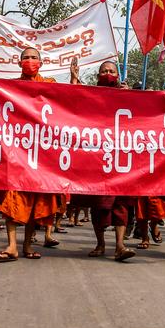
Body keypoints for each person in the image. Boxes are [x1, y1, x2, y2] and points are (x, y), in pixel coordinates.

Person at [0, 47, 65, 261]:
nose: (30, 61)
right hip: (18, 151)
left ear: (41, 62)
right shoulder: (10, 87)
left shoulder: (50, 85)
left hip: (42, 154)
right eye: (26, 58)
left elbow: (67, 106)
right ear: (19, 62)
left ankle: (27, 245)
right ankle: (12, 245)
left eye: (33, 57)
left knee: (36, 201)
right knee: (14, 198)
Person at [68, 61, 136, 262]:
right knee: (99, 205)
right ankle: (100, 243)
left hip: (121, 157)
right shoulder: (93, 93)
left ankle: (120, 245)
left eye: (112, 71)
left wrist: (131, 96)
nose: (108, 74)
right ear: (98, 76)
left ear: (118, 74)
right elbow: (73, 101)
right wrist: (74, 78)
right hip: (97, 157)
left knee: (121, 204)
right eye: (104, 71)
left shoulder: (126, 94)